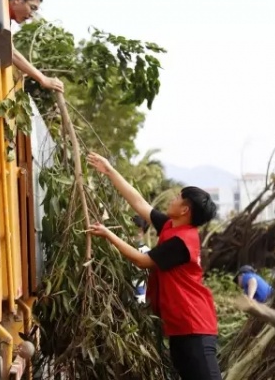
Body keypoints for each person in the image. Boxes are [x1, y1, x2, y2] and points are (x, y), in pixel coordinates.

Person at [86, 151, 222, 380]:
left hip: (195, 326)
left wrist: (108, 234)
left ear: (185, 210)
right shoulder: (171, 227)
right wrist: (109, 170)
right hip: (180, 327)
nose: (172, 199)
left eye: (178, 197)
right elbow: (139, 202)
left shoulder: (182, 241)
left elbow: (142, 261)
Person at [8, 0, 64, 93]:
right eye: (32, 8)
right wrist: (42, 79)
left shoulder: (6, 21)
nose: (31, 15)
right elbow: (11, 52)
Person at [132, 215, 151, 303]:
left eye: (140, 231)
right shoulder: (121, 247)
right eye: (134, 229)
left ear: (143, 233)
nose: (137, 233)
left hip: (139, 296)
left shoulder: (146, 252)